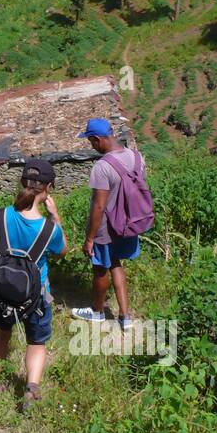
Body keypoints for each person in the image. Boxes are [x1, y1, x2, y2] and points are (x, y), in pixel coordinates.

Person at [0, 158, 66, 410]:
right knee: (36, 342)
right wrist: (56, 217)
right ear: (49, 187)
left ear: (22, 182)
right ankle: (31, 390)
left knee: (1, 333)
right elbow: (62, 252)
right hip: (36, 297)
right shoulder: (49, 229)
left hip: (1, 293)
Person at [71, 118, 142, 331]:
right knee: (117, 263)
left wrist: (90, 239)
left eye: (92, 142)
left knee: (100, 268)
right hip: (129, 224)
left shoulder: (102, 167)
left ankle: (98, 312)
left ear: (97, 139)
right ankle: (125, 316)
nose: (92, 147)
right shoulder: (137, 157)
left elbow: (99, 207)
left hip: (106, 228)